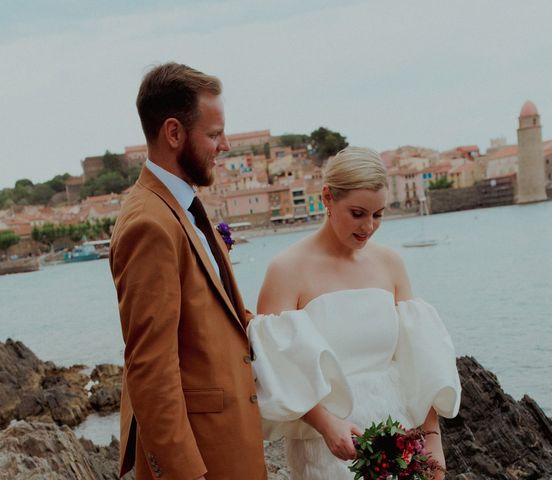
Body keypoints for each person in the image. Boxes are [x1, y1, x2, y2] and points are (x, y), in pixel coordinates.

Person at [249, 146, 461, 480]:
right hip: (327, 443)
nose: (369, 226)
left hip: (398, 433)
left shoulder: (391, 263)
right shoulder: (286, 270)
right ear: (327, 199)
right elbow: (276, 369)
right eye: (358, 213)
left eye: (378, 214)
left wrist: (432, 441)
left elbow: (418, 357)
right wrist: (326, 425)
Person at [110, 63, 266, 480]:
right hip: (202, 459)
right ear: (174, 133)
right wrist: (184, 473)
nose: (226, 145)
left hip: (228, 443)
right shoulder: (149, 223)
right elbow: (150, 366)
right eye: (214, 135)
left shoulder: (181, 208)